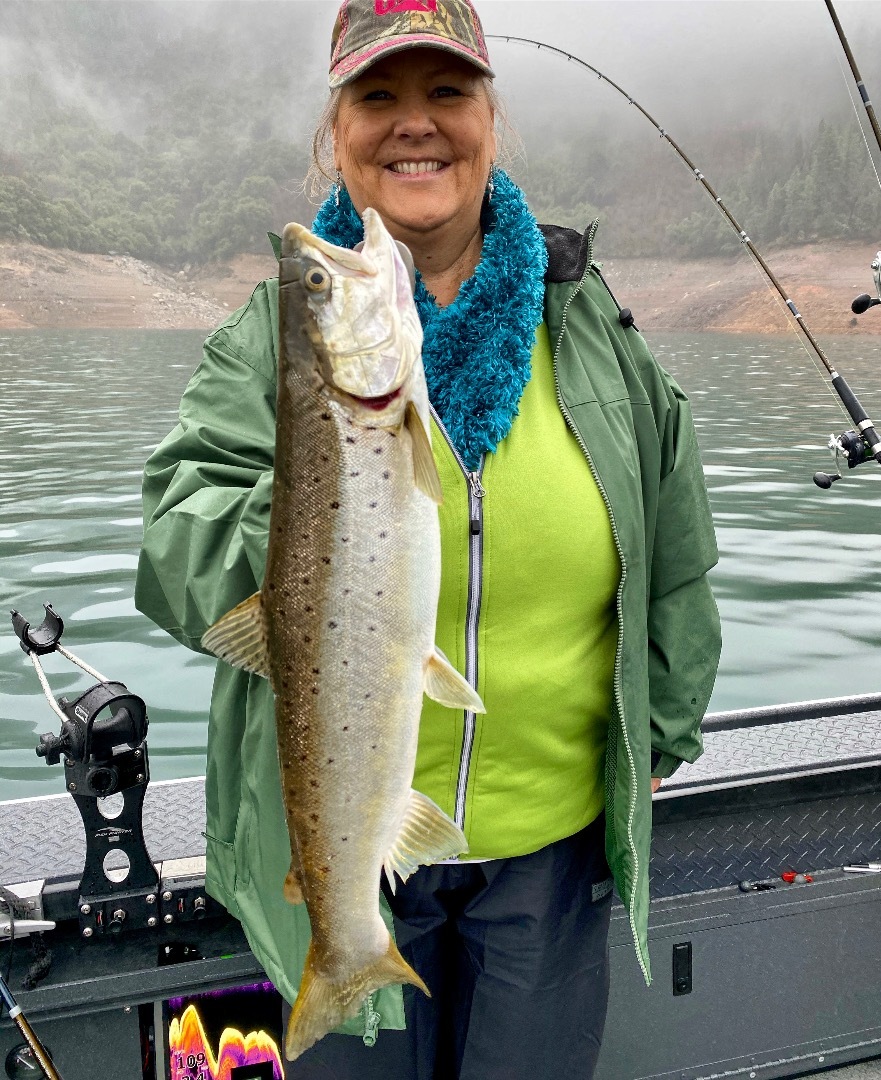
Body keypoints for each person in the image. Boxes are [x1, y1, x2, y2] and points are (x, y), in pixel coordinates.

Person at [135, 0, 722, 1077]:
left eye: (445, 94)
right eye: (378, 98)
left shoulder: (597, 333)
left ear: (489, 122)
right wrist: (321, 506)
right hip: (335, 842)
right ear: (335, 133)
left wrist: (660, 738)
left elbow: (675, 556)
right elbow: (177, 538)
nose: (415, 124)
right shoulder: (272, 336)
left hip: (549, 845)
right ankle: (343, 950)